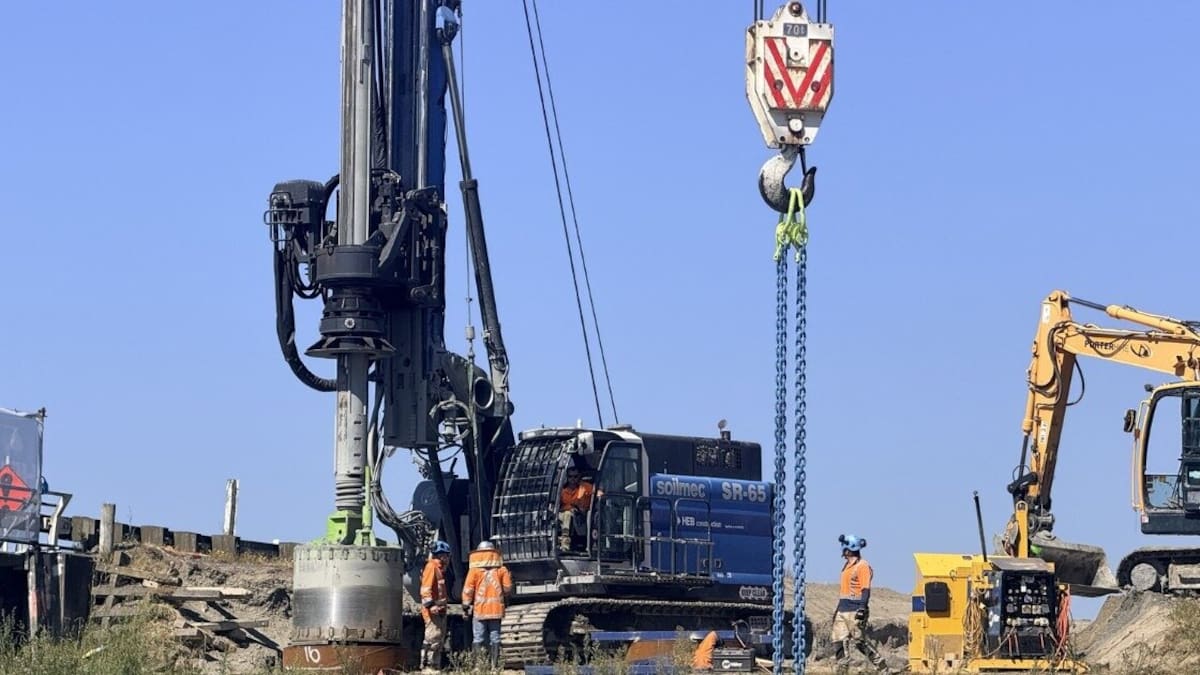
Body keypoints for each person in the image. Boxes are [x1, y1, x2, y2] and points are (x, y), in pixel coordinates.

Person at [832, 534, 895, 675]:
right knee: (838, 641)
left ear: (848, 549)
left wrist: (862, 607)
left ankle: (882, 667)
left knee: (859, 642)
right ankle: (842, 670)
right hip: (843, 609)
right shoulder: (846, 567)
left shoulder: (862, 566)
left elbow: (865, 588)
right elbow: (844, 591)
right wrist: (837, 611)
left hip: (855, 609)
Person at [461, 540, 514, 669]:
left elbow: (468, 590)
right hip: (496, 611)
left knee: (478, 638)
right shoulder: (502, 570)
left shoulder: (474, 571)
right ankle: (494, 667)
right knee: (495, 638)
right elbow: (507, 589)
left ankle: (479, 666)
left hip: (479, 611)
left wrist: (466, 606)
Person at [419, 540, 452, 673]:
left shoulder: (439, 569)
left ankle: (435, 667)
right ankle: (428, 668)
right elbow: (425, 589)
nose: (448, 559)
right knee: (432, 640)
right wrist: (431, 605)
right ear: (441, 555)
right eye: (447, 555)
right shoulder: (431, 567)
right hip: (433, 612)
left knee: (438, 641)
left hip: (440, 612)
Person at [558, 467, 594, 552]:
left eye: (575, 476)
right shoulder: (562, 490)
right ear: (567, 477)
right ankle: (563, 543)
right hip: (563, 513)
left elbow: (597, 492)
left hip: (580, 514)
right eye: (570, 476)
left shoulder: (584, 487)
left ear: (579, 477)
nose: (573, 479)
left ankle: (567, 544)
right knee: (565, 515)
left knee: (569, 516)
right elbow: (557, 505)